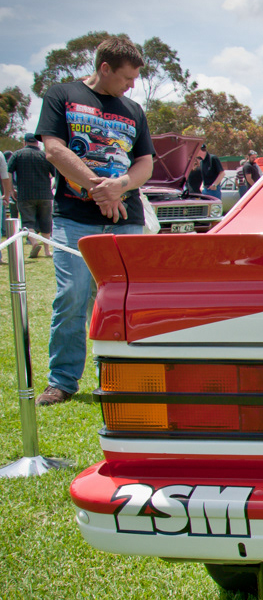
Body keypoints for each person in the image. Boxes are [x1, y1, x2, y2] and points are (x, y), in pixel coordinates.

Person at [34, 35, 155, 407]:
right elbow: (53, 148)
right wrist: (97, 188)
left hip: (126, 218)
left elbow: (145, 163)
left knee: (128, 299)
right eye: (126, 77)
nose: (131, 85)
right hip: (74, 217)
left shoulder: (134, 109)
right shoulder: (61, 95)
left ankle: (132, 376)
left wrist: (120, 186)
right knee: (72, 296)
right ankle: (62, 381)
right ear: (104, 67)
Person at [8, 133, 56, 258]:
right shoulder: (45, 155)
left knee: (28, 221)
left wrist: (10, 189)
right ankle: (47, 250)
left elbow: (9, 171)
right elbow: (55, 174)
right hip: (45, 194)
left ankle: (34, 243)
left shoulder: (17, 155)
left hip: (25, 194)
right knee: (46, 221)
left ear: (25, 142)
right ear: (37, 142)